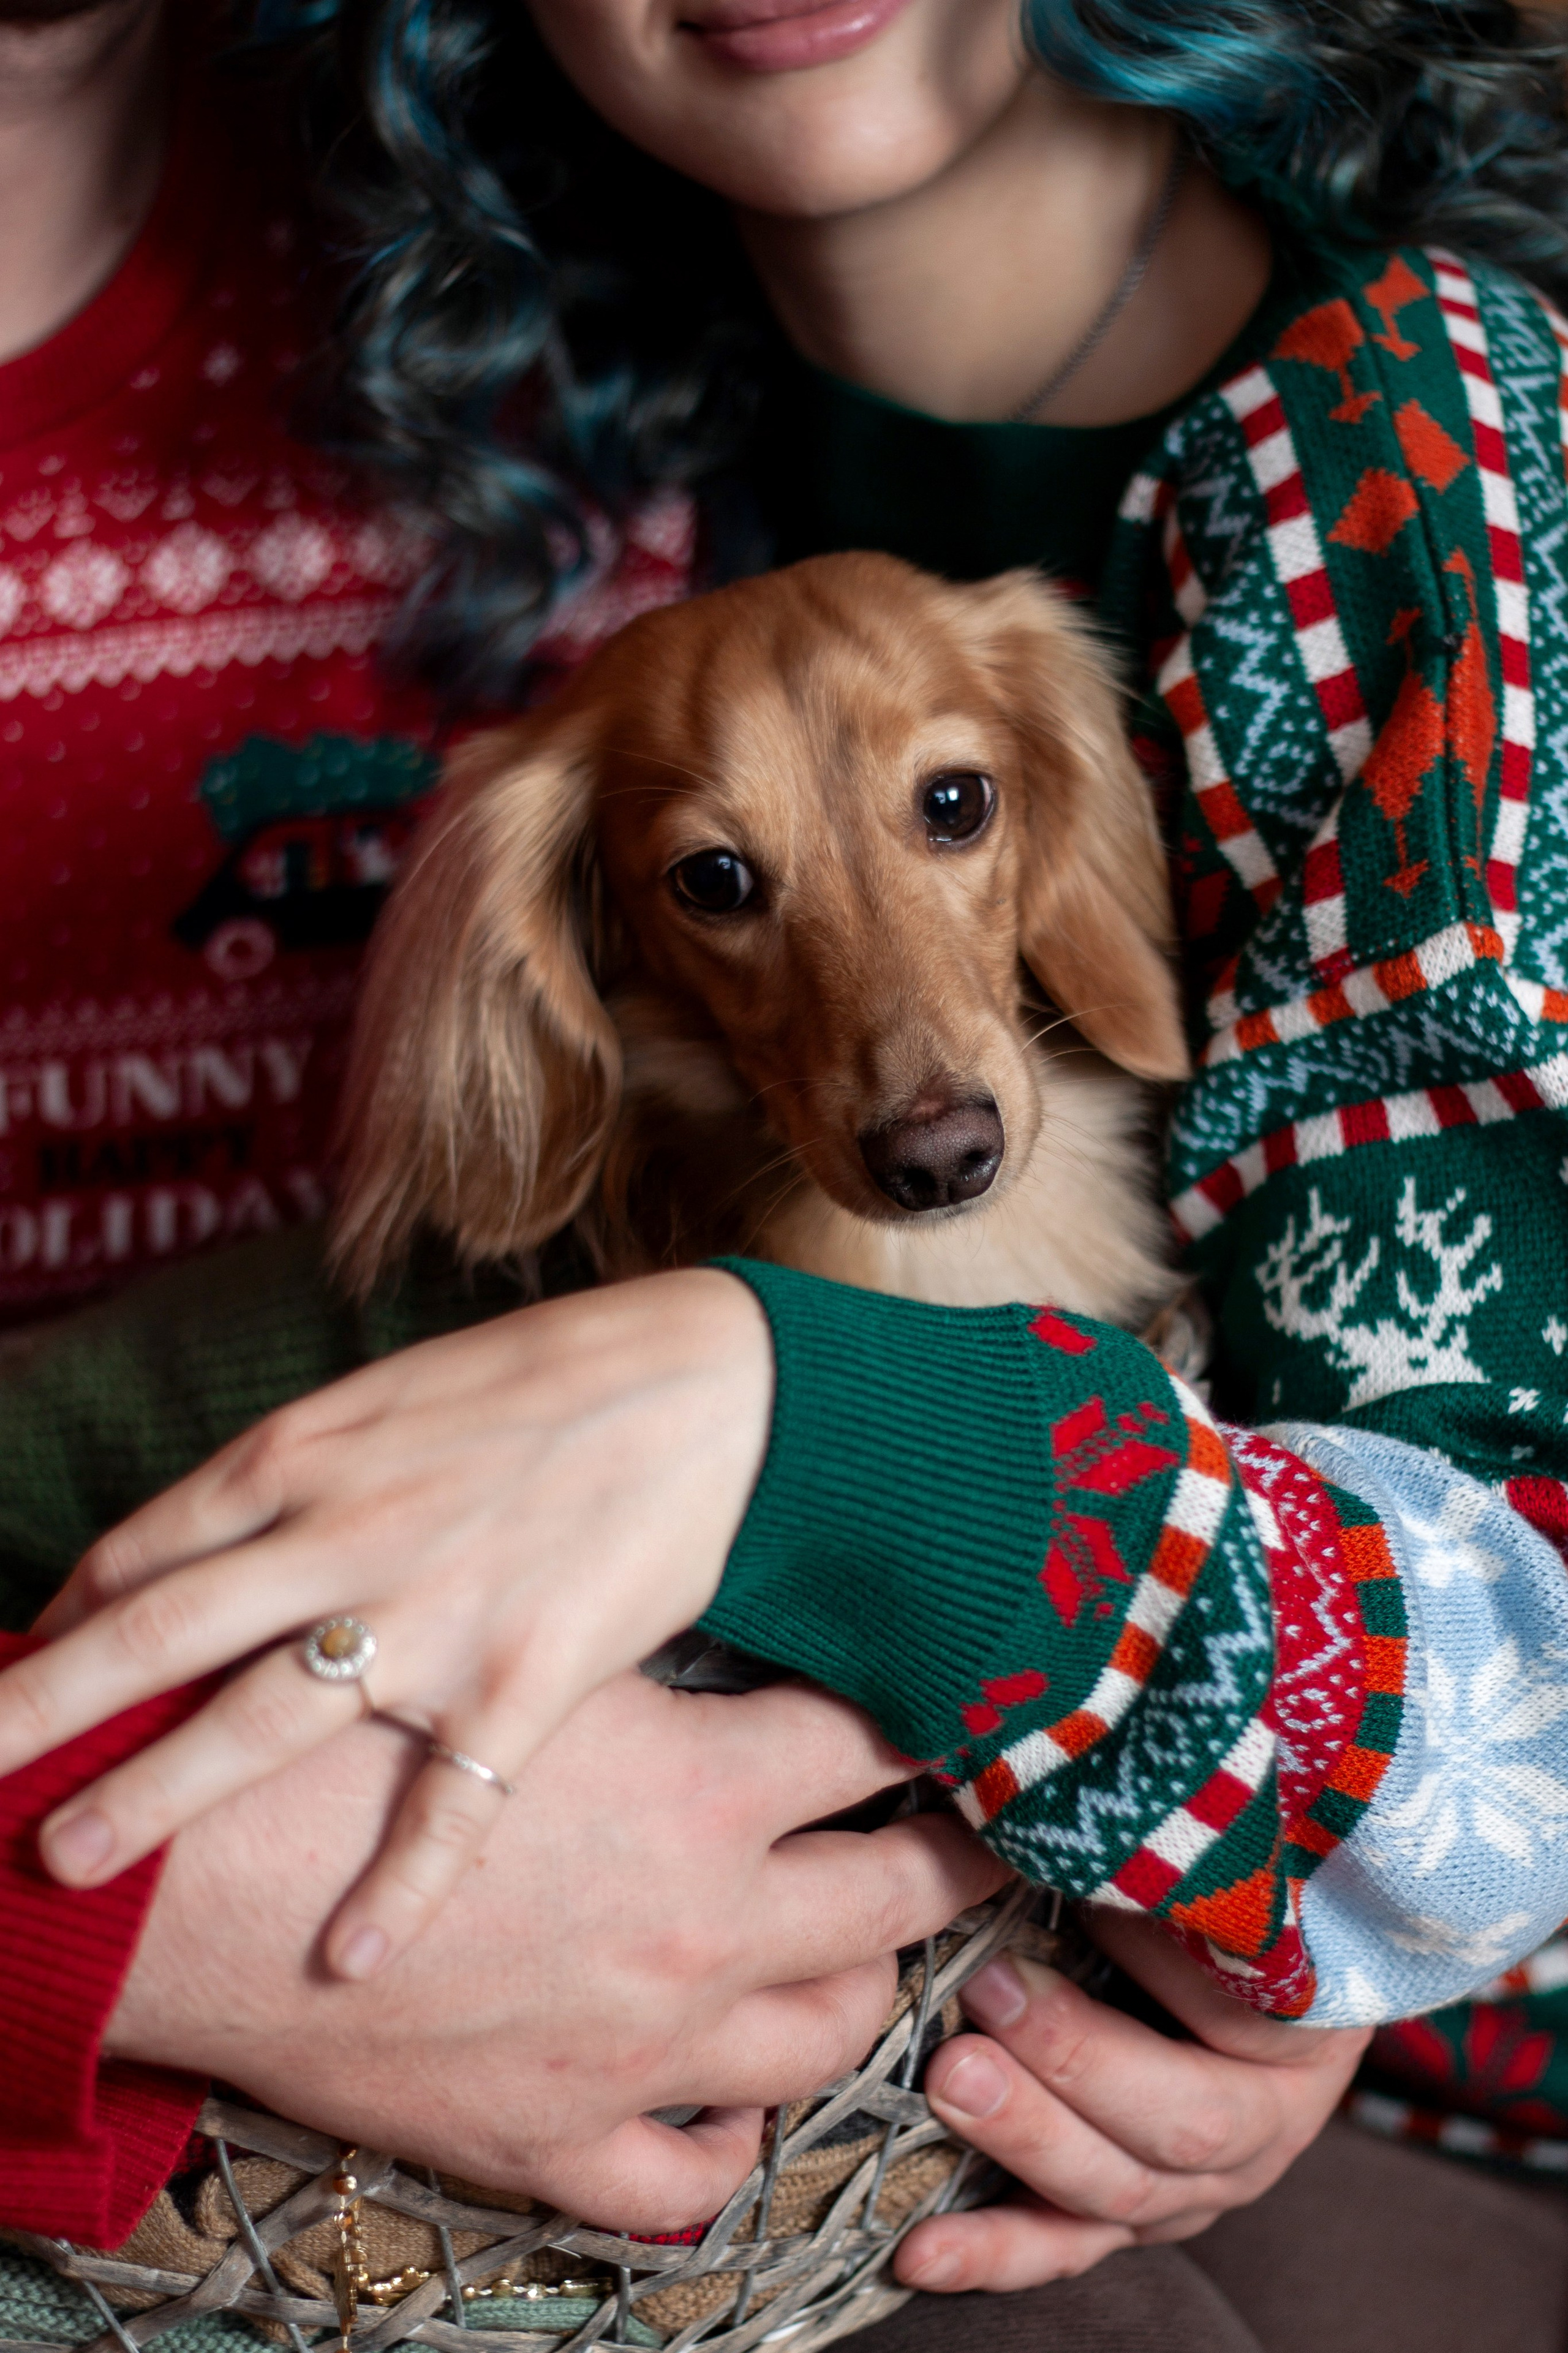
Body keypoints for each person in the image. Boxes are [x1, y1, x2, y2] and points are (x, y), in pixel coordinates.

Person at [6, 0, 1568, 2345]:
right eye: (729, 883)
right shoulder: (600, 397)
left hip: (1385, 2048)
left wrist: (773, 1400)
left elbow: (1496, 1714)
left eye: (954, 812)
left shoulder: (1396, 458)